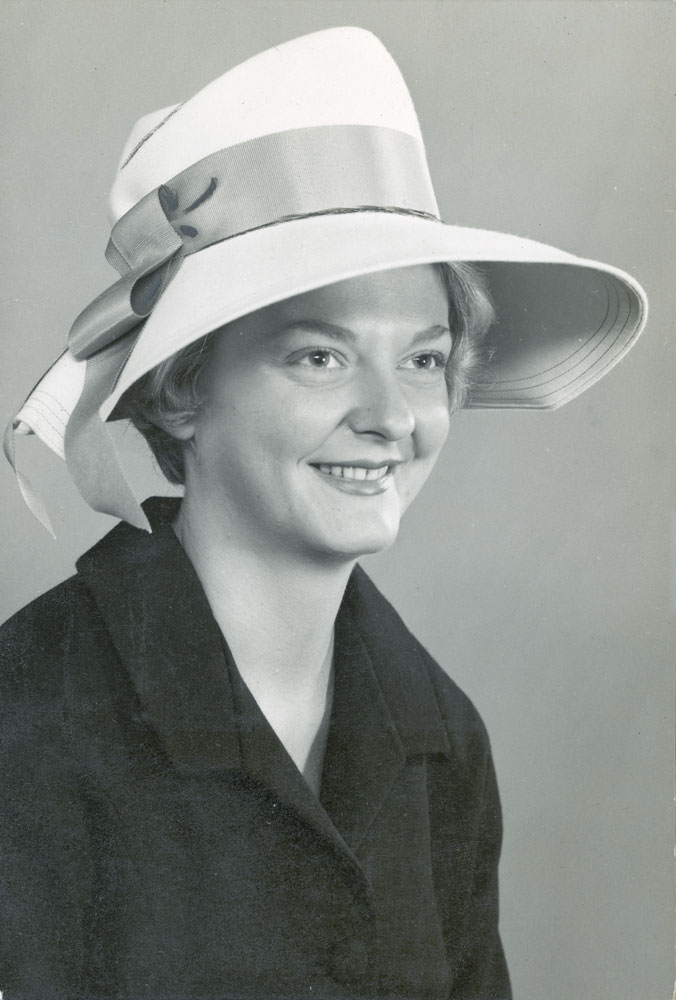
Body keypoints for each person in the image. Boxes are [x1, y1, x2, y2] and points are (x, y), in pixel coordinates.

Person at [0, 26, 646, 1000]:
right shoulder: (31, 716)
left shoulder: (441, 740)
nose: (392, 418)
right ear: (180, 387)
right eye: (319, 354)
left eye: (424, 358)